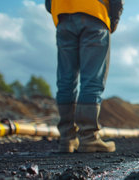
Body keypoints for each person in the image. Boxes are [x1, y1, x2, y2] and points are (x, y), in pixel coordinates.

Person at [45, 0, 124, 153]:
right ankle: (88, 138)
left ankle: (66, 139)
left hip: (63, 19)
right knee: (92, 81)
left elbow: (48, 4)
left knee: (66, 81)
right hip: (95, 16)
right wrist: (113, 20)